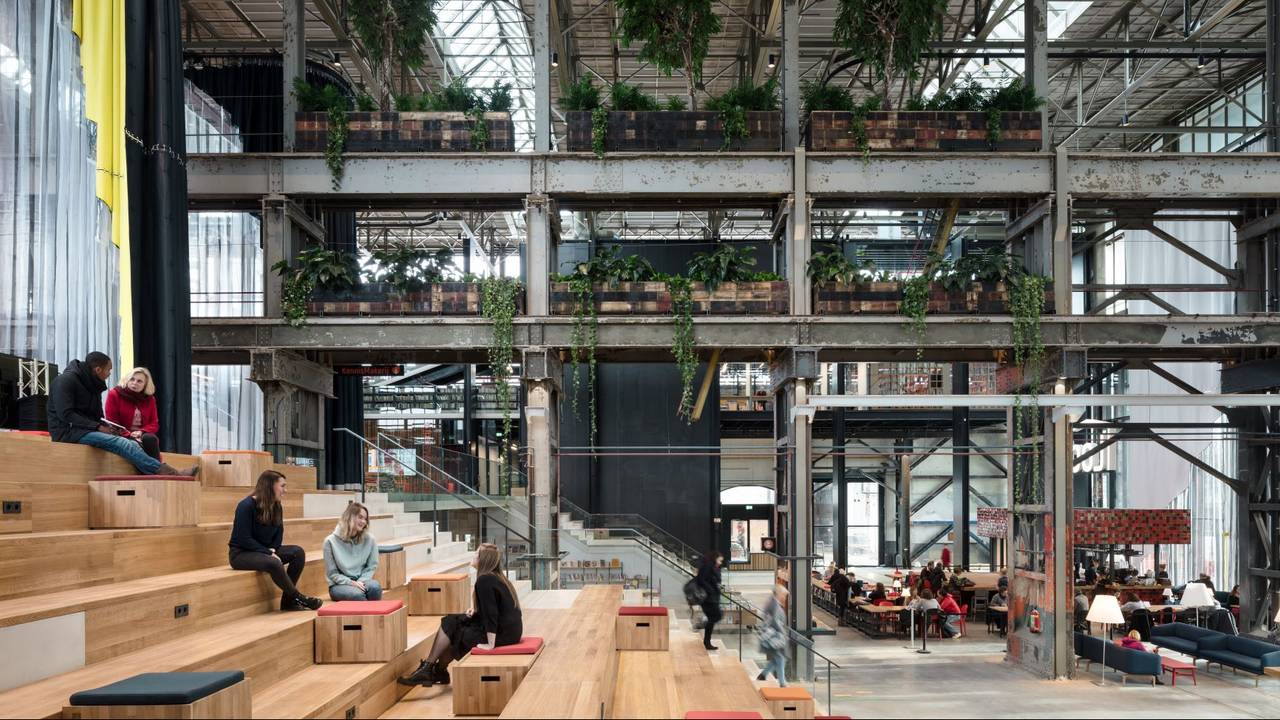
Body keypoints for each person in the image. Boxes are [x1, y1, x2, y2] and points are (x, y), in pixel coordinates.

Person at [48, 352, 197, 476]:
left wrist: (109, 427)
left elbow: (97, 416)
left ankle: (154, 475)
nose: (109, 373)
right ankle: (172, 474)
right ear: (98, 369)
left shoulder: (93, 384)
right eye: (108, 370)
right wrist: (98, 427)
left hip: (86, 429)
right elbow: (66, 415)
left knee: (134, 443)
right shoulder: (65, 381)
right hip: (69, 432)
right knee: (123, 443)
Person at [399, 543, 523, 687]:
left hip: (501, 635)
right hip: (509, 631)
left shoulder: (485, 580)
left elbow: (492, 614)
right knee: (451, 620)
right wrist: (475, 611)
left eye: (476, 554)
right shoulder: (495, 577)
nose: (473, 555)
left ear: (483, 560)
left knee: (457, 632)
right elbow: (494, 609)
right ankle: (435, 669)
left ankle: (433, 669)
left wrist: (490, 644)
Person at [229, 470, 322, 611]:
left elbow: (279, 534)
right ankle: (298, 597)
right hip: (242, 554)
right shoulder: (246, 506)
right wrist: (267, 552)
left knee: (298, 552)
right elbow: (243, 539)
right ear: (270, 486)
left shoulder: (276, 505)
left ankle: (287, 602)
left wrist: (272, 549)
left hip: (265, 551)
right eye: (282, 486)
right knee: (273, 561)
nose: (285, 490)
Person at [323, 502, 382, 601]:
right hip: (339, 585)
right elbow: (332, 574)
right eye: (360, 517)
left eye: (365, 519)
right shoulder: (330, 541)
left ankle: (375, 616)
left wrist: (360, 582)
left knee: (375, 588)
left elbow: (371, 566)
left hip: (362, 580)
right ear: (349, 517)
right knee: (357, 595)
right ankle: (369, 616)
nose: (363, 522)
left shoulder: (370, 539)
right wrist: (351, 583)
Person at [103, 367, 161, 461]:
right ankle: (157, 470)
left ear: (145, 385)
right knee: (136, 444)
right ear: (127, 380)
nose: (135, 383)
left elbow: (154, 423)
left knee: (150, 438)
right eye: (132, 379)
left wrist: (141, 432)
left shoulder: (150, 399)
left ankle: (156, 470)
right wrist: (129, 435)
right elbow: (112, 422)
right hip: (121, 434)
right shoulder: (114, 394)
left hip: (141, 435)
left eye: (139, 381)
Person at [756, 585, 789, 686]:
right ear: (778, 594)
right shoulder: (773, 604)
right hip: (772, 636)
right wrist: (783, 632)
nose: (784, 597)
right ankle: (782, 682)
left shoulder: (773, 602)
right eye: (783, 595)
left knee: (777, 657)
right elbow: (775, 621)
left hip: (772, 635)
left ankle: (763, 675)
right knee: (780, 658)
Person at [695, 551, 724, 650]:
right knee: (716, 616)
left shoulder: (715, 567)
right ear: (714, 558)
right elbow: (700, 580)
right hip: (707, 598)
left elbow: (716, 580)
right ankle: (706, 638)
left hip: (713, 597)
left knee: (714, 617)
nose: (720, 563)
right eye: (720, 560)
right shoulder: (707, 566)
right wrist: (710, 589)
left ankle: (707, 641)